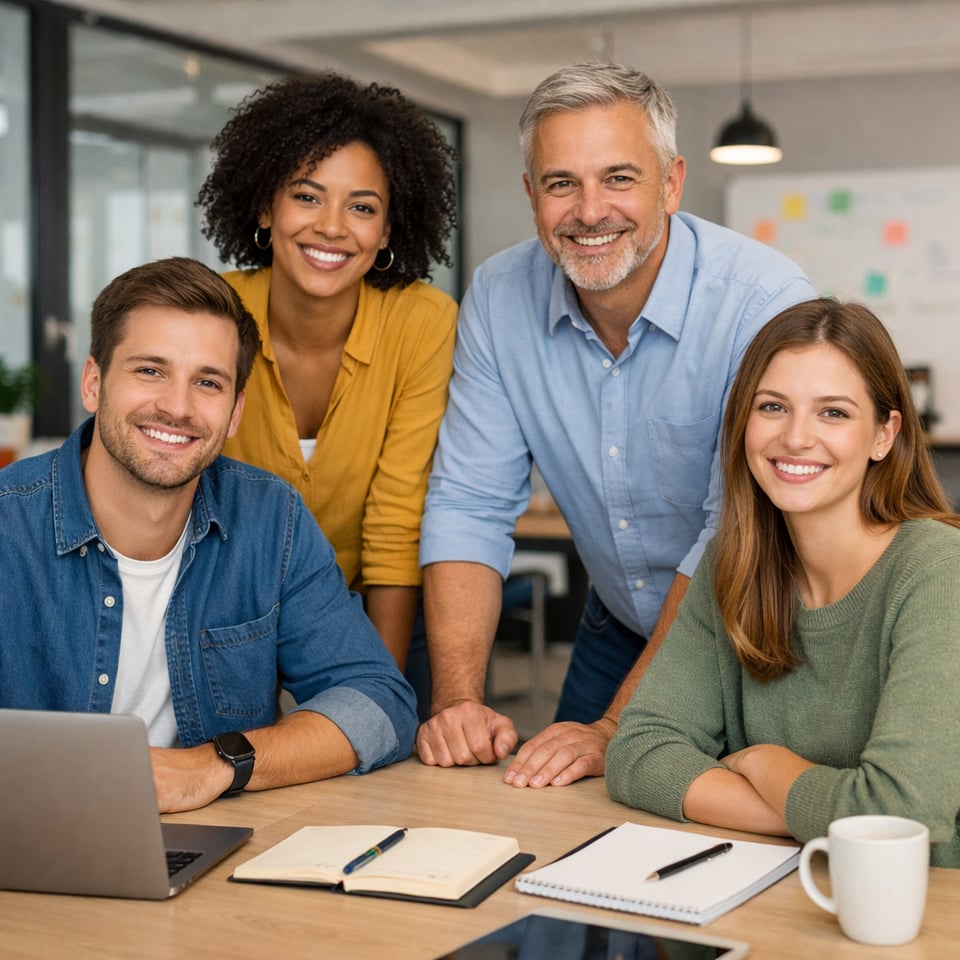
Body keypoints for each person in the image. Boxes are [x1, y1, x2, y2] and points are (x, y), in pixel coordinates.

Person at [417, 61, 816, 787]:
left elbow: (733, 529)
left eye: (620, 178)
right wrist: (458, 704)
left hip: (762, 630)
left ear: (671, 183)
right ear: (532, 194)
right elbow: (468, 504)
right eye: (561, 182)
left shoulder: (762, 301)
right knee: (554, 826)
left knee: (745, 847)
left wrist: (614, 727)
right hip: (621, 621)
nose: (590, 210)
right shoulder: (500, 297)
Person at [0, 257, 418, 814]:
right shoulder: (9, 525)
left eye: (208, 382)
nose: (177, 407)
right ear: (94, 383)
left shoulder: (272, 521)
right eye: (150, 370)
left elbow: (380, 702)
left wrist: (217, 764)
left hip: (211, 852)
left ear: (236, 410)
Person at [606, 299, 960, 867]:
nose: (796, 438)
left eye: (834, 413)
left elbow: (905, 815)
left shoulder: (939, 570)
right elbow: (638, 754)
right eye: (773, 406)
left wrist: (766, 763)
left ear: (884, 435)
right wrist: (828, 815)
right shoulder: (734, 561)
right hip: (789, 888)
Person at [196, 73, 459, 717]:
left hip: (375, 611)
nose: (333, 227)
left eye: (363, 207)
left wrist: (379, 697)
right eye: (307, 196)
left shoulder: (422, 322)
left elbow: (396, 523)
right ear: (265, 208)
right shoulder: (213, 311)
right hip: (222, 612)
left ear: (389, 229)